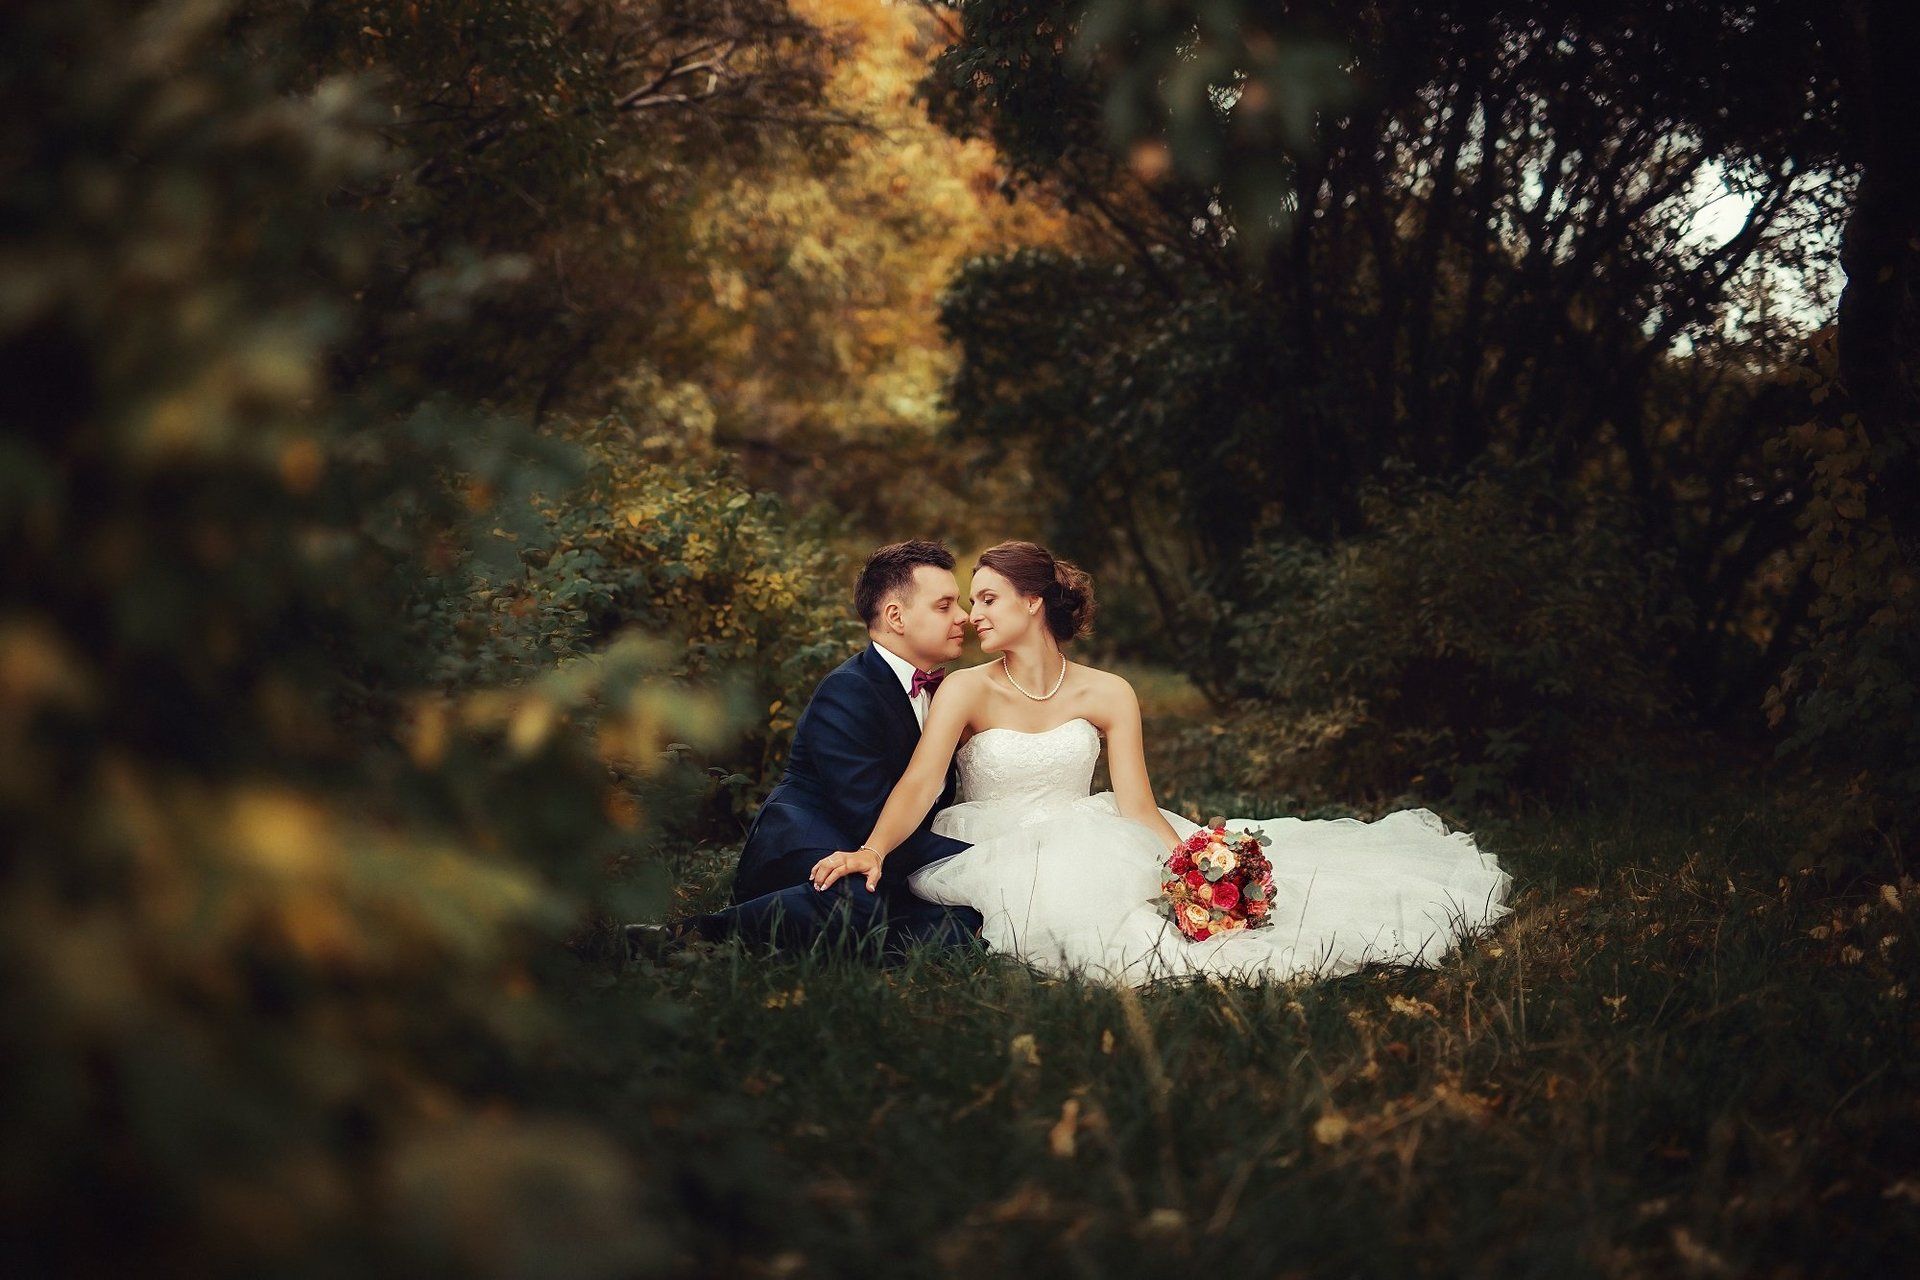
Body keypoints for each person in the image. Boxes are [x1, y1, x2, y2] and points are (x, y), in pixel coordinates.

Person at [809, 540, 1514, 984]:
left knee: (1165, 918)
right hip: (988, 842)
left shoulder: (1108, 692)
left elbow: (1138, 806)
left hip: (1087, 829)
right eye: (967, 601)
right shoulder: (965, 688)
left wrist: (1196, 872)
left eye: (987, 598)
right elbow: (922, 780)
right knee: (1082, 934)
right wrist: (871, 850)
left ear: (1032, 603)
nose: (971, 614)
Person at [626, 540, 984, 963]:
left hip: (872, 857)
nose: (964, 616)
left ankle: (799, 948)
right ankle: (693, 935)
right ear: (895, 616)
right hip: (807, 851)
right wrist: (980, 863)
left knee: (967, 919)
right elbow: (869, 816)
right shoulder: (849, 691)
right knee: (858, 902)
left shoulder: (945, 693)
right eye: (945, 606)